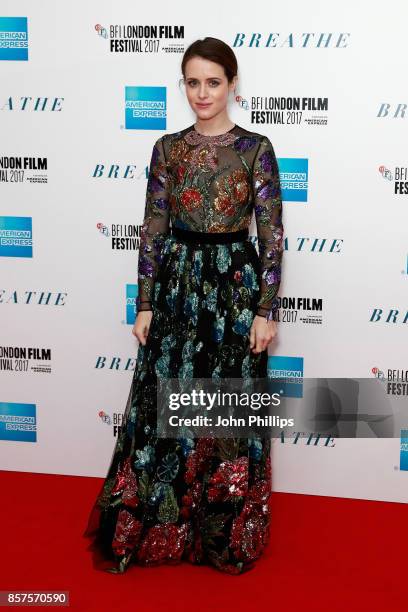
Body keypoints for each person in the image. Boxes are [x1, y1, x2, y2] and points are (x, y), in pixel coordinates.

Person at [83, 36, 284, 575]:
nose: (202, 93)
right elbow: (152, 229)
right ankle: (164, 529)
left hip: (235, 294)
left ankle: (220, 536)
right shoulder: (167, 148)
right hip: (177, 290)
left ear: (233, 84)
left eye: (213, 82)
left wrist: (266, 311)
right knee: (166, 408)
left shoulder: (255, 149)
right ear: (183, 85)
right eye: (192, 82)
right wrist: (145, 302)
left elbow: (272, 237)